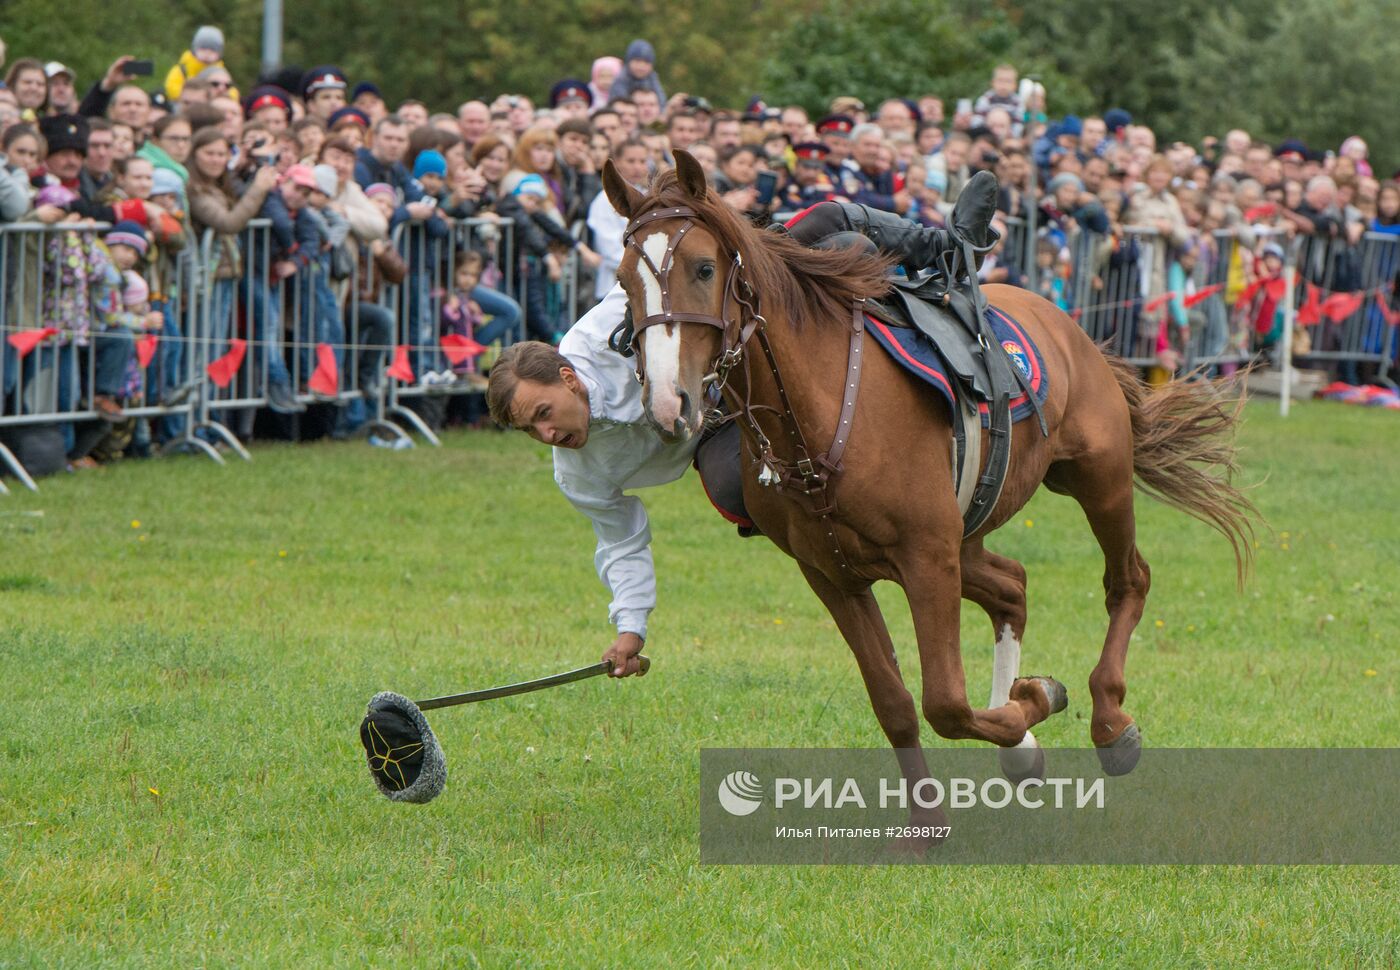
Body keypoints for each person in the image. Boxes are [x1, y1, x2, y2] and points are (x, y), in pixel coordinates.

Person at [484, 171, 999, 677]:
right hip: (720, 420)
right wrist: (630, 628)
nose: (548, 437)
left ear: (569, 377)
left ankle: (947, 249)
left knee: (832, 231)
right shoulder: (577, 472)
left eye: (544, 415)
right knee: (737, 490)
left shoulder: (599, 333)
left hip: (737, 328)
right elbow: (620, 540)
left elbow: (661, 276)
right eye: (531, 431)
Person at [164, 26, 227, 101]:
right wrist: (188, 97)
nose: (207, 54)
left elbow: (231, 90)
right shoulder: (183, 69)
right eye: (203, 49)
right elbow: (171, 86)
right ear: (194, 49)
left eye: (212, 50)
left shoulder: (220, 72)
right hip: (185, 103)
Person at [608, 40, 665, 105]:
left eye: (646, 62)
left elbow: (661, 102)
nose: (641, 66)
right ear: (628, 61)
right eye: (637, 61)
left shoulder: (653, 79)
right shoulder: (621, 80)